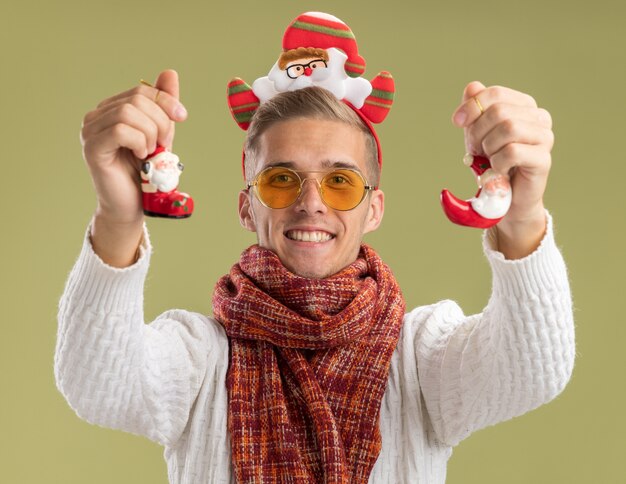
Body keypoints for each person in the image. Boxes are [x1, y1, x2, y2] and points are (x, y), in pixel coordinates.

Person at [55, 13, 575, 484]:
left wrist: (524, 215)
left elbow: (530, 371)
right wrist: (119, 217)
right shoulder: (201, 356)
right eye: (281, 179)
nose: (310, 203)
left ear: (373, 209)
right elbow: (101, 386)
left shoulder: (420, 356)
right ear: (248, 207)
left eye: (341, 182)